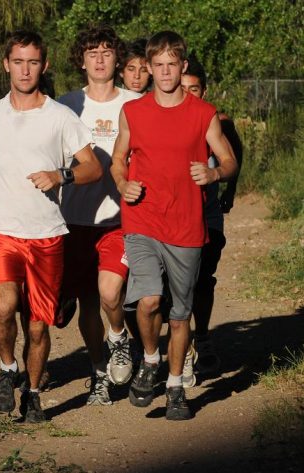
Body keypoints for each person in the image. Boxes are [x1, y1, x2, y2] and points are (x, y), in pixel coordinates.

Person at [0, 30, 101, 423]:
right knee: (4, 306)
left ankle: (34, 395)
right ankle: (8, 370)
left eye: (33, 62)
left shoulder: (60, 116)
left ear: (45, 65)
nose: (25, 70)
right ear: (6, 64)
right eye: (18, 61)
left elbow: (93, 166)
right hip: (2, 229)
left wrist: (61, 176)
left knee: (38, 328)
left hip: (47, 235)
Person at [110, 31, 238, 421]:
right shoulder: (133, 111)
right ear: (148, 68)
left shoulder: (203, 113)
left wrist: (213, 175)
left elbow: (229, 161)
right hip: (143, 219)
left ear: (183, 67)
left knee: (180, 314)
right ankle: (151, 359)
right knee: (148, 300)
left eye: (172, 65)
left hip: (186, 225)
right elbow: (118, 158)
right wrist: (122, 183)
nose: (165, 73)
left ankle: (176, 386)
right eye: (158, 66)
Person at [56, 25, 141, 406]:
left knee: (111, 294)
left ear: (117, 59)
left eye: (107, 52)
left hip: (119, 220)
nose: (100, 59)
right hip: (73, 221)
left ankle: (120, 338)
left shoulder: (135, 103)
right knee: (87, 305)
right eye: (92, 52)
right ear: (81, 60)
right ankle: (99, 374)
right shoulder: (65, 105)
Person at [180, 53, 243, 380]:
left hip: (207, 216)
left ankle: (201, 337)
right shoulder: (163, 118)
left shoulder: (217, 121)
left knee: (202, 279)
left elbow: (234, 154)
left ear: (203, 91)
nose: (189, 94)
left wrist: (224, 187)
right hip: (172, 220)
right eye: (183, 88)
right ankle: (179, 342)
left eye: (195, 89)